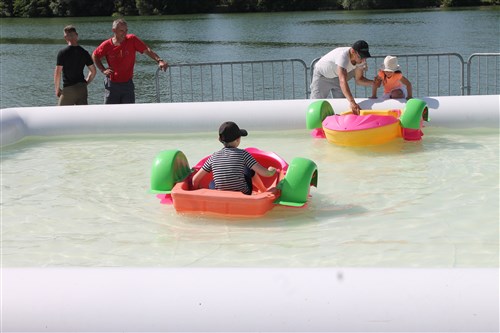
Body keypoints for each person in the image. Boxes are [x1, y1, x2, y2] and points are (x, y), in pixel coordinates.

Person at [92, 18, 169, 104]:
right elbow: (95, 55)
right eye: (121, 30)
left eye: (126, 30)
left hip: (127, 85)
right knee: (110, 114)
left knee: (128, 114)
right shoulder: (107, 45)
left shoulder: (132, 40)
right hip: (112, 85)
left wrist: (159, 60)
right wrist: (103, 69)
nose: (124, 33)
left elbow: (147, 50)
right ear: (114, 30)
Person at [192, 121, 277, 195]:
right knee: (250, 170)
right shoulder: (244, 154)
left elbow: (195, 180)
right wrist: (272, 170)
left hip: (220, 195)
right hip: (243, 194)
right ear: (237, 140)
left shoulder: (213, 157)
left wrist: (198, 190)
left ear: (220, 140)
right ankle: (263, 190)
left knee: (212, 183)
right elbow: (265, 173)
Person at [310, 40, 374, 115]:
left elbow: (359, 80)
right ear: (353, 51)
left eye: (365, 57)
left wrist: (373, 82)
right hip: (322, 76)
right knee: (315, 105)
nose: (363, 60)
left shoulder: (361, 61)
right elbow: (342, 81)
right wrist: (352, 102)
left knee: (343, 105)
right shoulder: (342, 56)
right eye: (361, 57)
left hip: (337, 77)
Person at [54, 25, 96, 106]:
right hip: (82, 89)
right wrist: (86, 82)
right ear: (77, 35)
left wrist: (57, 89)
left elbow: (58, 72)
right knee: (82, 116)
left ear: (65, 37)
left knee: (60, 114)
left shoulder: (63, 53)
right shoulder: (84, 52)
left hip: (69, 89)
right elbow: (93, 71)